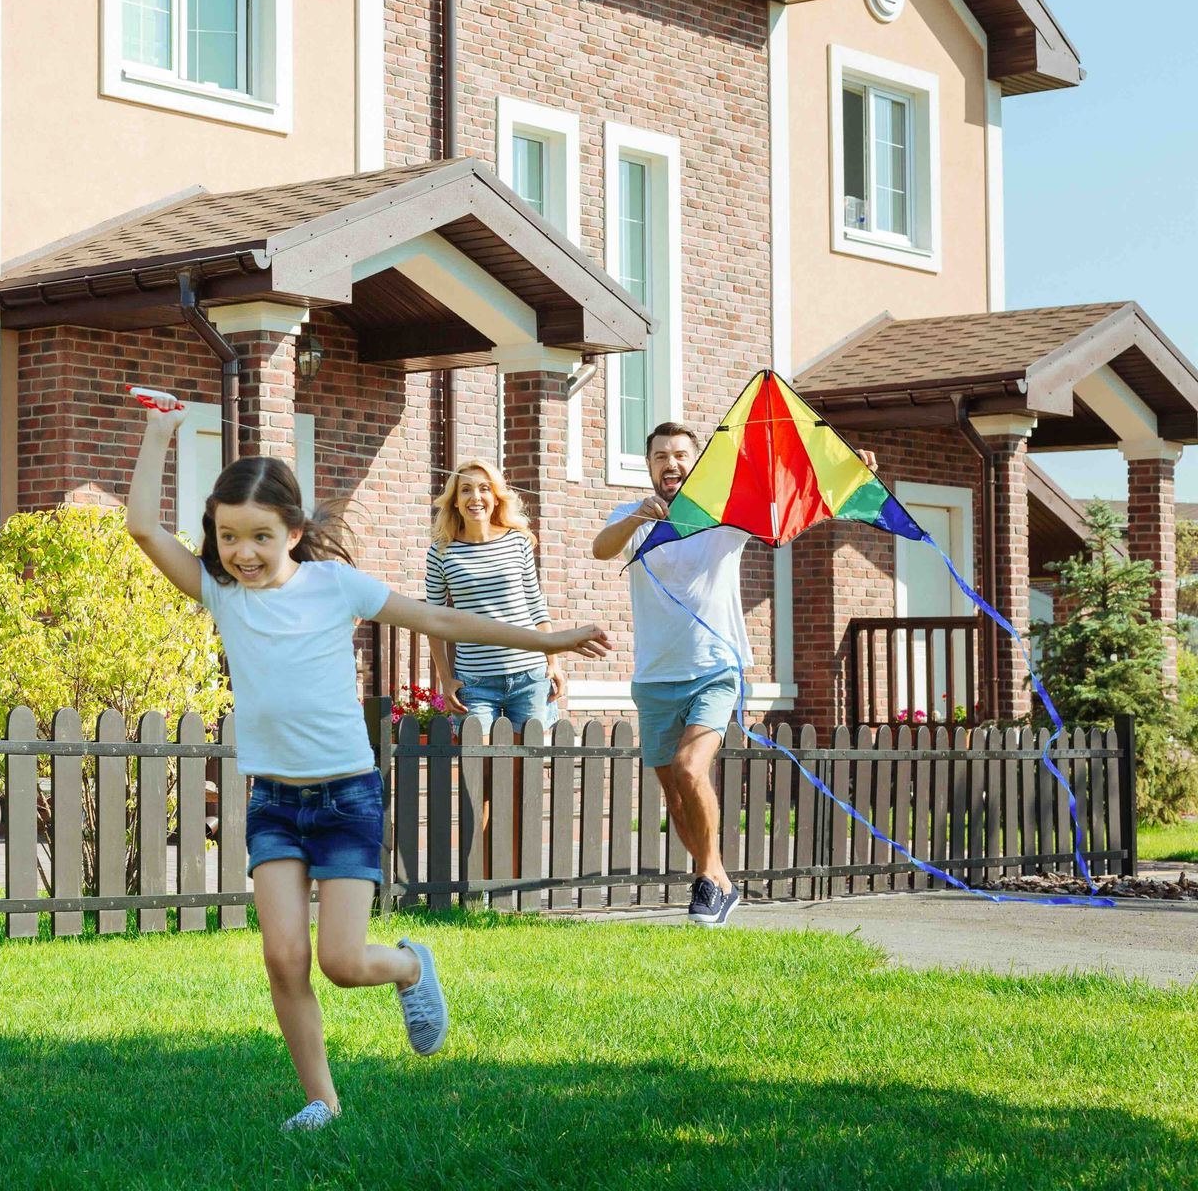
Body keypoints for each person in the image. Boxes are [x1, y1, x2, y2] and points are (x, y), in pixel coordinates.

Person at [127, 389, 612, 1132]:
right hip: (274, 805)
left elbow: (441, 617)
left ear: (293, 531)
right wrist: (161, 433)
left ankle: (412, 966)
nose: (243, 553)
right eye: (228, 538)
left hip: (346, 798)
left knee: (343, 962)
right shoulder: (222, 594)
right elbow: (138, 528)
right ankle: (322, 1100)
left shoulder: (335, 586)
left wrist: (550, 642)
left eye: (259, 535)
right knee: (284, 957)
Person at [591, 422, 875, 928]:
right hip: (655, 675)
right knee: (675, 794)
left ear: (696, 464)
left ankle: (710, 877)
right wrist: (637, 514)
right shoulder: (633, 517)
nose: (670, 463)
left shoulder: (724, 518)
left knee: (689, 768)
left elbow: (793, 508)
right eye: (660, 456)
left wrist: (847, 478)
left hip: (715, 668)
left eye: (680, 454)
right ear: (649, 465)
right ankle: (716, 879)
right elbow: (600, 548)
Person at [424, 458, 565, 732]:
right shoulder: (440, 552)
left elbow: (536, 606)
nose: (476, 497)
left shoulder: (517, 541)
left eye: (484, 488)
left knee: (524, 771)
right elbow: (433, 620)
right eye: (466, 490)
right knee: (479, 770)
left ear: (496, 497)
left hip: (529, 675)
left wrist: (554, 663)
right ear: (454, 500)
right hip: (475, 681)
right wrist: (445, 677)